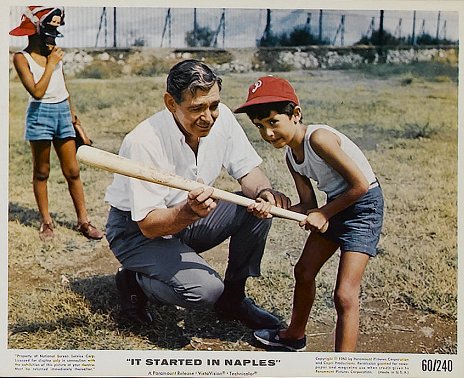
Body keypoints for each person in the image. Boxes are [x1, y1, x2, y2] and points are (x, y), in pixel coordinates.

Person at [104, 59, 291, 329]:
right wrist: (189, 212)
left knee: (255, 210)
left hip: (187, 216)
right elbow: (148, 225)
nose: (208, 117)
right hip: (136, 232)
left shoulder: (222, 118)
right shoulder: (143, 141)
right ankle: (133, 282)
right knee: (205, 291)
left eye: (213, 105)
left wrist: (263, 192)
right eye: (196, 108)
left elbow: (248, 170)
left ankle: (234, 300)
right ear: (171, 103)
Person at [234, 76, 384, 352]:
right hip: (337, 205)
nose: (267, 133)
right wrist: (273, 209)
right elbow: (307, 205)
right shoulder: (292, 157)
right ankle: (294, 335)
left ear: (296, 114)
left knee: (344, 294)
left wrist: (324, 214)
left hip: (364, 207)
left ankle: (344, 368)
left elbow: (361, 185)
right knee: (303, 271)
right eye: (259, 126)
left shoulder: (319, 139)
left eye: (273, 122)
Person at [10, 6, 103, 241]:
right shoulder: (21, 58)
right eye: (51, 30)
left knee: (72, 171)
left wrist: (74, 118)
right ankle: (47, 222)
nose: (54, 35)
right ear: (35, 30)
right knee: (41, 172)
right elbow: (37, 92)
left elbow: (63, 86)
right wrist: (51, 64)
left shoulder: (54, 52)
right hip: (40, 115)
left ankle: (84, 221)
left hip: (63, 113)